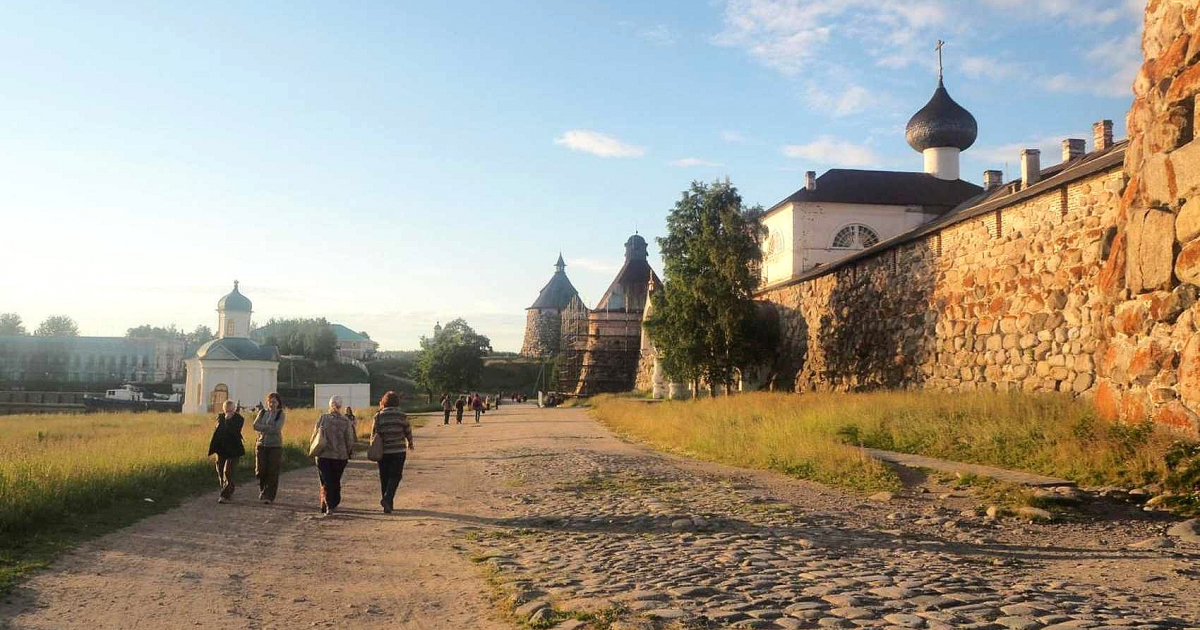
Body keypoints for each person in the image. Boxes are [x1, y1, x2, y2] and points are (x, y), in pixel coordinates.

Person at [310, 395, 357, 515]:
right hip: (340, 457)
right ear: (341, 406)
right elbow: (349, 439)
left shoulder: (323, 418)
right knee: (335, 480)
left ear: (329, 405)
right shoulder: (346, 421)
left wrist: (312, 447)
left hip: (323, 455)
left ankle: (327, 503)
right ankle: (332, 503)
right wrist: (349, 451)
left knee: (326, 480)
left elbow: (314, 435)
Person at [369, 391, 415, 513]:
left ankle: (387, 504)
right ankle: (387, 499)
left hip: (383, 451)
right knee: (396, 476)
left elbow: (373, 434)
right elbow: (408, 430)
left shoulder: (378, 416)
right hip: (398, 450)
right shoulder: (402, 415)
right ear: (397, 402)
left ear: (384, 402)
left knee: (384, 476)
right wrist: (410, 442)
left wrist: (372, 445)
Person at [207, 399, 245, 504]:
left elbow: (234, 431)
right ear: (223, 410)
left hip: (234, 450)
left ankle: (224, 495)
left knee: (227, 472)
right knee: (220, 471)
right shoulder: (220, 417)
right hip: (221, 449)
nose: (228, 413)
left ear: (234, 410)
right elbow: (217, 432)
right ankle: (228, 489)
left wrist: (228, 421)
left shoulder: (239, 419)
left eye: (230, 410)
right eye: (226, 410)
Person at [251, 392, 286, 504]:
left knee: (272, 471)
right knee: (261, 471)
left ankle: (269, 495)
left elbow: (277, 429)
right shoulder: (262, 413)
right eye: (270, 402)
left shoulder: (280, 414)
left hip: (275, 446)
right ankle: (263, 490)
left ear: (278, 403)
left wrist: (263, 428)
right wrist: (268, 427)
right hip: (261, 445)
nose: (272, 404)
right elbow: (255, 425)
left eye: (274, 402)